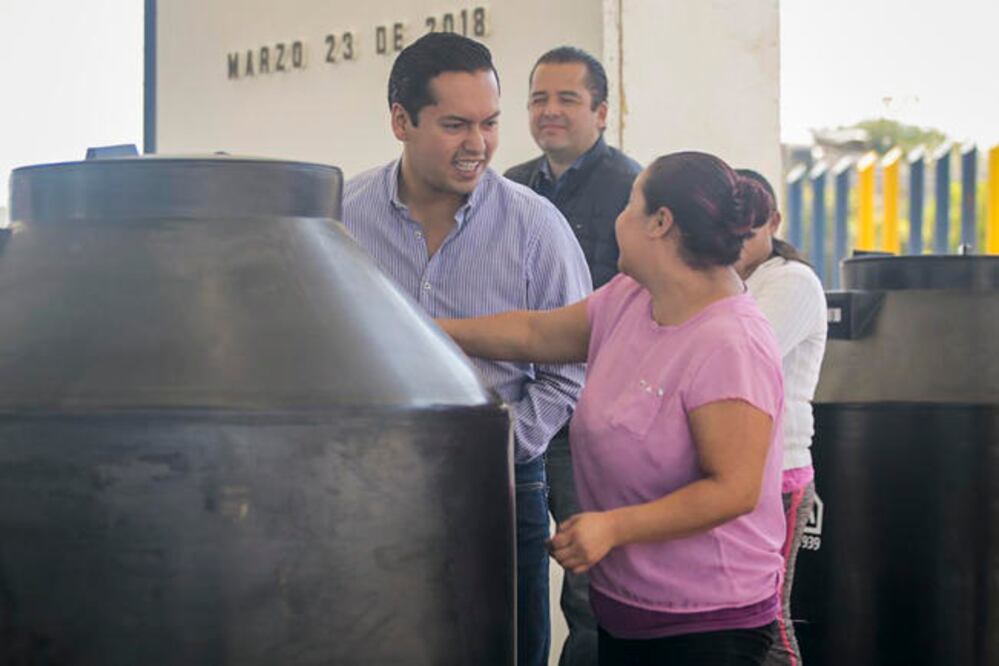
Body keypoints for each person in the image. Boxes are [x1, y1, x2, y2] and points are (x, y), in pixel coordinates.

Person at [439, 151, 785, 666]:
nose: (619, 219)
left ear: (660, 224)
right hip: (628, 610)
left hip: (708, 626)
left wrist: (614, 527)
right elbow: (533, 332)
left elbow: (733, 490)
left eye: (630, 204)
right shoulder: (630, 297)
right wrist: (424, 328)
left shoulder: (730, 342)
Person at [340, 33, 592, 666]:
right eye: (455, 125)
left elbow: (570, 367)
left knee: (506, 651)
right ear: (401, 120)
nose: (477, 144)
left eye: (489, 123)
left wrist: (505, 448)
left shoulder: (535, 227)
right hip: (370, 487)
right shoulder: (340, 220)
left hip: (504, 489)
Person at [504, 45, 641, 666]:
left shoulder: (633, 191)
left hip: (597, 420)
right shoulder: (506, 188)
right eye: (538, 98)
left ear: (602, 111)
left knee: (592, 588)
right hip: (523, 414)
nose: (549, 110)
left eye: (567, 98)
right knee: (510, 567)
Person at [735, 169, 827, 666]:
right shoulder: (735, 281)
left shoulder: (791, 281)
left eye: (749, 233)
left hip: (781, 474)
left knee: (770, 620)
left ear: (773, 221)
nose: (737, 244)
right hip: (740, 471)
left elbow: (741, 356)